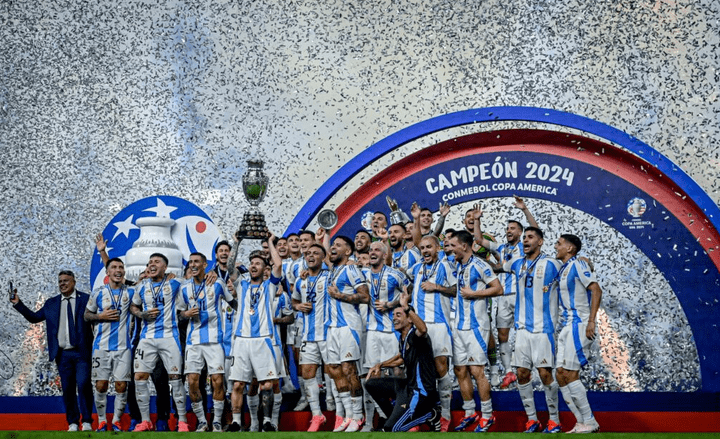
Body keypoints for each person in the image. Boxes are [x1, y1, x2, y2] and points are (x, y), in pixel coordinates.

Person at [11, 270, 94, 431]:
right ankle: (73, 423)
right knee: (68, 388)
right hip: (62, 354)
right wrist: (17, 303)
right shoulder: (51, 303)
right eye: (60, 281)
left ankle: (87, 421)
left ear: (74, 282)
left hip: (82, 353)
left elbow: (96, 318)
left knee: (84, 385)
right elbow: (34, 318)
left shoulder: (86, 299)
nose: (62, 283)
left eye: (66, 281)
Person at [472, 196, 538, 388]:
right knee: (502, 335)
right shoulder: (501, 248)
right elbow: (478, 240)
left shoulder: (524, 246)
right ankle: (509, 371)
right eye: (507, 229)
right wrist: (477, 220)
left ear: (521, 232)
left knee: (524, 332)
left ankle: (526, 367)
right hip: (502, 297)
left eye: (512, 228)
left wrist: (524, 209)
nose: (508, 231)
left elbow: (536, 231)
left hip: (520, 296)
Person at [504, 227, 562, 433]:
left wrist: (583, 261)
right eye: (525, 238)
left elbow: (569, 272)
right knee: (521, 373)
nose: (526, 240)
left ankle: (554, 420)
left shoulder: (552, 264)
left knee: (545, 374)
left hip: (543, 330)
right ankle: (532, 420)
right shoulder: (517, 263)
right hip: (522, 330)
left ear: (540, 242)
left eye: (530, 237)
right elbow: (499, 266)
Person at [228, 234, 284, 432]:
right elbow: (229, 268)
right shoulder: (241, 285)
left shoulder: (270, 286)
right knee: (237, 385)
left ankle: (267, 422)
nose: (253, 266)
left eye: (258, 263)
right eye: (252, 263)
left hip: (263, 340)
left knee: (267, 384)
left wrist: (270, 241)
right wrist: (237, 242)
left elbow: (278, 265)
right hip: (242, 340)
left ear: (264, 269)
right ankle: (235, 422)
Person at [449, 231, 503, 432]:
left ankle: (487, 415)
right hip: (459, 327)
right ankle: (470, 412)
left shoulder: (481, 266)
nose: (450, 249)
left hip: (476, 327)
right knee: (460, 370)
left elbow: (498, 289)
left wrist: (475, 293)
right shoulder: (459, 265)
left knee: (476, 370)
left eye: (453, 245)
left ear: (464, 246)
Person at [129, 253, 190, 432]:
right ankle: (146, 421)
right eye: (150, 262)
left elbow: (196, 281)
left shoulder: (175, 283)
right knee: (139, 377)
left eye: (157, 262)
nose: (152, 264)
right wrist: (141, 314)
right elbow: (133, 306)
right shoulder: (141, 286)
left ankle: (183, 422)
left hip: (169, 338)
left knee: (175, 379)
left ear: (165, 267)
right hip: (146, 338)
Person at [366, 292, 441, 432]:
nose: (394, 318)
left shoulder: (416, 335)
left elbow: (423, 329)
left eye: (398, 315)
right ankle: (393, 417)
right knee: (371, 384)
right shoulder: (403, 338)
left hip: (421, 392)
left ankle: (431, 414)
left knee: (392, 430)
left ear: (410, 319)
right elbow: (401, 358)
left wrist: (406, 307)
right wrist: (380, 365)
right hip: (408, 387)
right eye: (393, 315)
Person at [179, 252, 236, 432]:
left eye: (197, 262)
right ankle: (203, 422)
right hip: (193, 341)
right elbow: (179, 313)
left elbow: (233, 302)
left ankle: (217, 421)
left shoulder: (217, 283)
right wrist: (186, 314)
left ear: (205, 265)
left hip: (214, 340)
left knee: (218, 381)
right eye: (190, 262)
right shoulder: (184, 288)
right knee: (193, 382)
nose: (193, 265)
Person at [406, 234, 457, 431]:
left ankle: (445, 415)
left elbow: (456, 289)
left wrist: (436, 287)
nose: (425, 251)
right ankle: (419, 416)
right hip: (419, 327)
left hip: (439, 324)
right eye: (422, 248)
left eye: (429, 247)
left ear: (437, 248)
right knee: (417, 372)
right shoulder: (417, 268)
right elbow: (401, 274)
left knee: (440, 368)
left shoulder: (445, 266)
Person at [553, 234, 602, 433]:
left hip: (579, 324)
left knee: (571, 374)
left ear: (570, 248)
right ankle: (581, 422)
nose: (555, 246)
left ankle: (590, 421)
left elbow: (596, 289)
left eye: (559, 243)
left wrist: (591, 320)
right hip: (566, 326)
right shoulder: (564, 268)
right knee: (560, 374)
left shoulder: (577, 265)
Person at [361, 240, 408, 430]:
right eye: (370, 249)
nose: (372, 252)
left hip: (391, 331)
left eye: (377, 250)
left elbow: (409, 293)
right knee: (371, 375)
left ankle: (400, 417)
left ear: (385, 254)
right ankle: (375, 420)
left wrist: (391, 304)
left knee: (397, 373)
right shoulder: (361, 274)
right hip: (371, 331)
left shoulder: (395, 274)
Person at [326, 235, 370, 432]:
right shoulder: (333, 271)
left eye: (338, 245)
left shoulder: (352, 269)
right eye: (332, 245)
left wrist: (340, 296)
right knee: (335, 369)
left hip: (349, 326)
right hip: (332, 327)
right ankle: (348, 415)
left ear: (348, 251)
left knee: (349, 369)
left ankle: (358, 416)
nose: (333, 248)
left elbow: (365, 296)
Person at [84, 258, 134, 431]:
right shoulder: (98, 293)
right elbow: (87, 315)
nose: (118, 270)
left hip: (123, 348)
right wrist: (100, 317)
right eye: (114, 267)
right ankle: (102, 420)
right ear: (107, 273)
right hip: (101, 347)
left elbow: (147, 282)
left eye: (121, 267)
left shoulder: (130, 292)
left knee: (121, 385)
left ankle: (117, 420)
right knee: (101, 384)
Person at [291, 243, 330, 431]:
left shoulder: (330, 276)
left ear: (324, 258)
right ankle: (317, 415)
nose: (311, 256)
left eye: (316, 253)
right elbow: (294, 300)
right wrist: (298, 306)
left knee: (334, 373)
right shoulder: (300, 281)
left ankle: (339, 412)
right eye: (308, 253)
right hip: (308, 334)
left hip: (328, 333)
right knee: (307, 373)